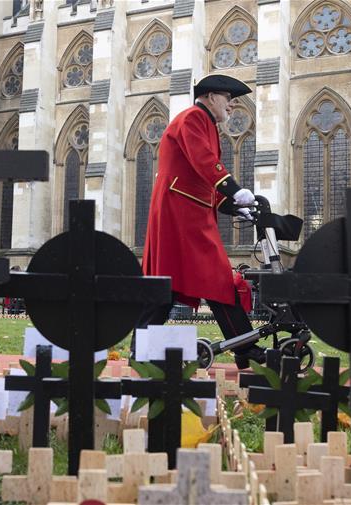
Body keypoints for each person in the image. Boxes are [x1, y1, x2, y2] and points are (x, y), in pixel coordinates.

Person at [135, 74, 266, 369]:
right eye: (227, 98)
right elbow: (204, 161)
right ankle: (246, 349)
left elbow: (201, 178)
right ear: (209, 97)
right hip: (181, 215)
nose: (232, 105)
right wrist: (234, 189)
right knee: (215, 280)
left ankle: (140, 351)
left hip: (187, 212)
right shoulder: (194, 118)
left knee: (167, 286)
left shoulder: (205, 123)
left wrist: (234, 206)